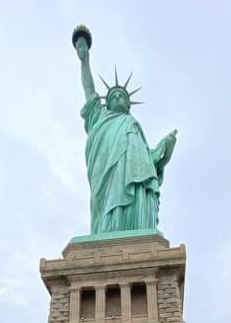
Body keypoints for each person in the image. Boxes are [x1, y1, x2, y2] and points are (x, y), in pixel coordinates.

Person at [73, 26, 177, 234]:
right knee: (106, 209)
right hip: (106, 176)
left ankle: (135, 231)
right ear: (107, 103)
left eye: (123, 97)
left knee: (137, 199)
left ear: (129, 106)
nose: (119, 98)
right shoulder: (99, 117)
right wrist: (84, 60)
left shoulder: (134, 127)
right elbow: (89, 89)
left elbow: (150, 164)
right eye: (114, 96)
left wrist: (164, 150)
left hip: (133, 182)